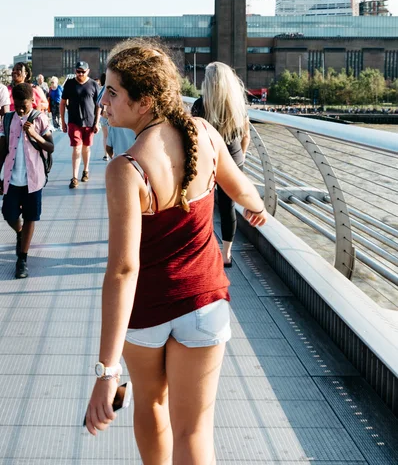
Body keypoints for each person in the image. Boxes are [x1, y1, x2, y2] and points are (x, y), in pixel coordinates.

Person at [84, 39, 267, 464]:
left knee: (149, 403)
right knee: (196, 431)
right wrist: (256, 209)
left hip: (146, 312)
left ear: (145, 101)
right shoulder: (204, 134)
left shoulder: (126, 169)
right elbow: (241, 189)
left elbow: (124, 270)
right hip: (204, 303)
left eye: (112, 92)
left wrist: (106, 372)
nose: (103, 102)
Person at [192, 62, 251, 267]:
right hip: (233, 161)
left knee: (202, 205)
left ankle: (203, 250)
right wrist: (239, 158)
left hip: (207, 161)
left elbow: (195, 137)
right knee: (228, 207)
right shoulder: (238, 105)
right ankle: (226, 255)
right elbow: (246, 136)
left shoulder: (200, 105)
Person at [0, 83, 54, 279]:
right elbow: (2, 149)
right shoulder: (7, 120)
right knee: (8, 213)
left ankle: (22, 259)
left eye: (25, 105)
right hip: (12, 178)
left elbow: (50, 147)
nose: (21, 109)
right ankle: (21, 233)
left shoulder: (40, 119)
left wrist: (34, 134)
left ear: (32, 101)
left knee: (31, 216)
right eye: (18, 106)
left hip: (34, 179)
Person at [60, 61, 100, 189]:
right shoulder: (70, 84)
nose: (80, 74)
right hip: (73, 121)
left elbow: (98, 105)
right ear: (75, 71)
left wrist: (97, 122)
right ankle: (74, 177)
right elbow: (62, 103)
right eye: (78, 71)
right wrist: (63, 121)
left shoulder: (93, 84)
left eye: (83, 71)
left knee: (86, 148)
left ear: (88, 71)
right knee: (76, 148)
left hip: (89, 122)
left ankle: (86, 170)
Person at [97, 73, 109, 161]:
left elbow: (98, 102)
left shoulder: (102, 88)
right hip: (113, 115)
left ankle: (106, 154)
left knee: (105, 136)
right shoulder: (111, 87)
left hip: (104, 115)